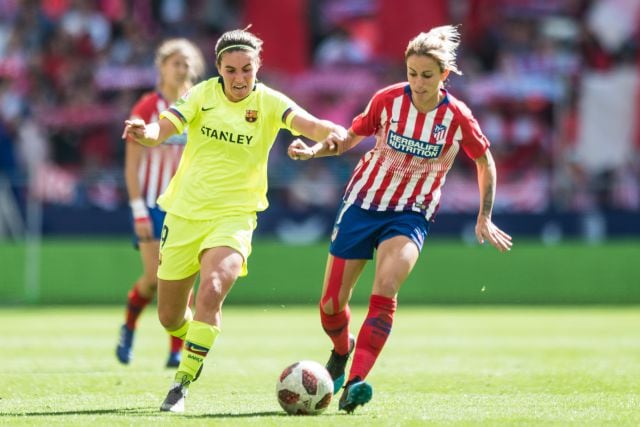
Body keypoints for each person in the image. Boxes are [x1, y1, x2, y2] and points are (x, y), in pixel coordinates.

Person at [288, 25, 513, 413]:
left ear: (444, 75)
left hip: (411, 214)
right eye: (412, 74)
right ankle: (342, 352)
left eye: (427, 75)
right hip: (362, 203)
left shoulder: (457, 117)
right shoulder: (388, 100)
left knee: (386, 287)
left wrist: (485, 214)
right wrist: (314, 152)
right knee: (329, 306)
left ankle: (355, 383)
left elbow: (484, 161)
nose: (418, 83)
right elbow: (350, 136)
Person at [121, 28, 347, 413]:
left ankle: (182, 383)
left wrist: (332, 136)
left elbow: (314, 125)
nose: (240, 78)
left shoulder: (271, 102)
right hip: (184, 213)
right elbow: (165, 127)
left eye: (247, 69)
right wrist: (147, 133)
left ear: (258, 67)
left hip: (235, 216)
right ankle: (196, 340)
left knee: (212, 287)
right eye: (231, 70)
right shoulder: (201, 94)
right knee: (170, 316)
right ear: (218, 68)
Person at [116, 38, 205, 368]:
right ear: (162, 67)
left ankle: (175, 350)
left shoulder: (200, 104)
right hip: (153, 204)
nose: (181, 68)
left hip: (189, 205)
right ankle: (129, 325)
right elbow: (131, 165)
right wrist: (137, 208)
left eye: (186, 63)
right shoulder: (146, 108)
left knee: (183, 277)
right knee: (155, 278)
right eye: (175, 63)